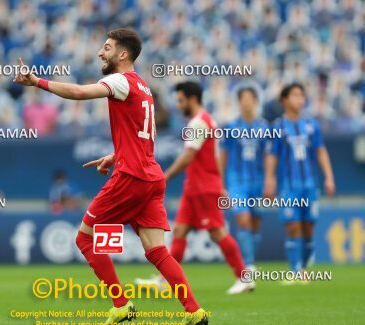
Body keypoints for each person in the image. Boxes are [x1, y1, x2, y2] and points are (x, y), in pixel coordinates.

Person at [13, 28, 208, 325]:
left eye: (106, 47)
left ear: (123, 54)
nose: (100, 53)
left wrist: (36, 82)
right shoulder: (143, 87)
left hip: (131, 177)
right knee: (157, 251)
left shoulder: (120, 80)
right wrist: (115, 154)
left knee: (84, 237)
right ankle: (194, 310)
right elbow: (142, 136)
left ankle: (121, 305)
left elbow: (78, 93)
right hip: (150, 177)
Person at [135, 81, 253, 295]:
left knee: (217, 232)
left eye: (180, 101)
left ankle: (243, 277)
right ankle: (164, 279)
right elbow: (214, 157)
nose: (178, 106)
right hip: (195, 187)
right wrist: (220, 184)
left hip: (202, 188)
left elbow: (189, 155)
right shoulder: (207, 121)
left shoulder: (198, 123)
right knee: (180, 230)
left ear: (192, 99)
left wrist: (166, 175)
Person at [264, 83, 335, 281]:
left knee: (309, 227)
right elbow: (272, 155)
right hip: (289, 186)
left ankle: (304, 268)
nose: (300, 99)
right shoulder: (277, 126)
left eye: (302, 95)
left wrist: (329, 176)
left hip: (310, 185)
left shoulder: (312, 125)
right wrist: (270, 180)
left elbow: (321, 151)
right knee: (293, 226)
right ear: (285, 100)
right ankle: (296, 271)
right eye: (295, 95)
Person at [220, 86, 268, 272]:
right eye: (243, 98)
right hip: (237, 181)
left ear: (255, 101)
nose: (246, 102)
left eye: (250, 98)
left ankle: (249, 260)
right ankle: (247, 264)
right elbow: (223, 155)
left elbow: (269, 156)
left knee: (255, 223)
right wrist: (221, 181)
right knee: (243, 220)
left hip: (259, 180)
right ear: (239, 102)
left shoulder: (264, 127)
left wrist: (270, 180)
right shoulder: (231, 127)